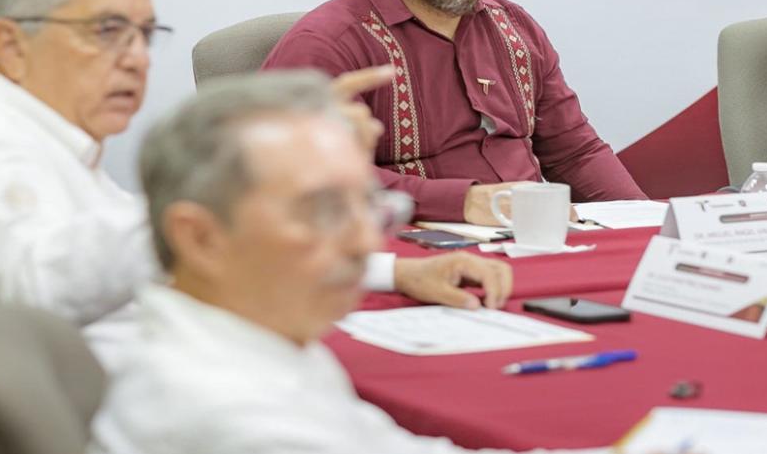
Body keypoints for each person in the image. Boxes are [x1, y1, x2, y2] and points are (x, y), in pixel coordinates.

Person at [0, 0, 510, 432]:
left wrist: (392, 272)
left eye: (143, 34)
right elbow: (34, 296)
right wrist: (241, 168)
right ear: (11, 44)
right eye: (106, 32)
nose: (136, 57)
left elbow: (170, 254)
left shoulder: (45, 146)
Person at [90, 72, 607, 454]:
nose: (363, 241)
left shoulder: (250, 340)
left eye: (370, 207)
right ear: (200, 238)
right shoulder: (226, 412)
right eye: (324, 211)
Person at [261, 0, 646, 224]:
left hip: (535, 245)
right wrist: (464, 202)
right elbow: (303, 174)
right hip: (411, 255)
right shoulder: (327, 45)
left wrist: (646, 224)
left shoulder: (513, 27)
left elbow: (575, 153)